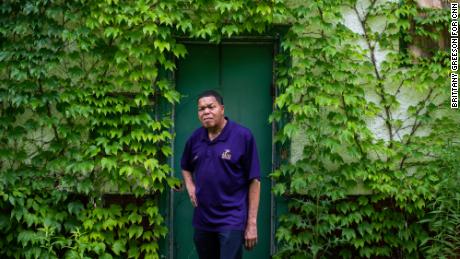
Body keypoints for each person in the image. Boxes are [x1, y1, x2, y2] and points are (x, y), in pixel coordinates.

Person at [180, 90, 261, 259]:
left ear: (222, 109)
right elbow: (185, 166)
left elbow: (254, 180)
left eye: (211, 107)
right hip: (203, 219)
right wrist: (190, 185)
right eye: (201, 109)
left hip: (231, 218)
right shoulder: (195, 138)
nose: (206, 112)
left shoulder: (242, 136)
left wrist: (251, 224)